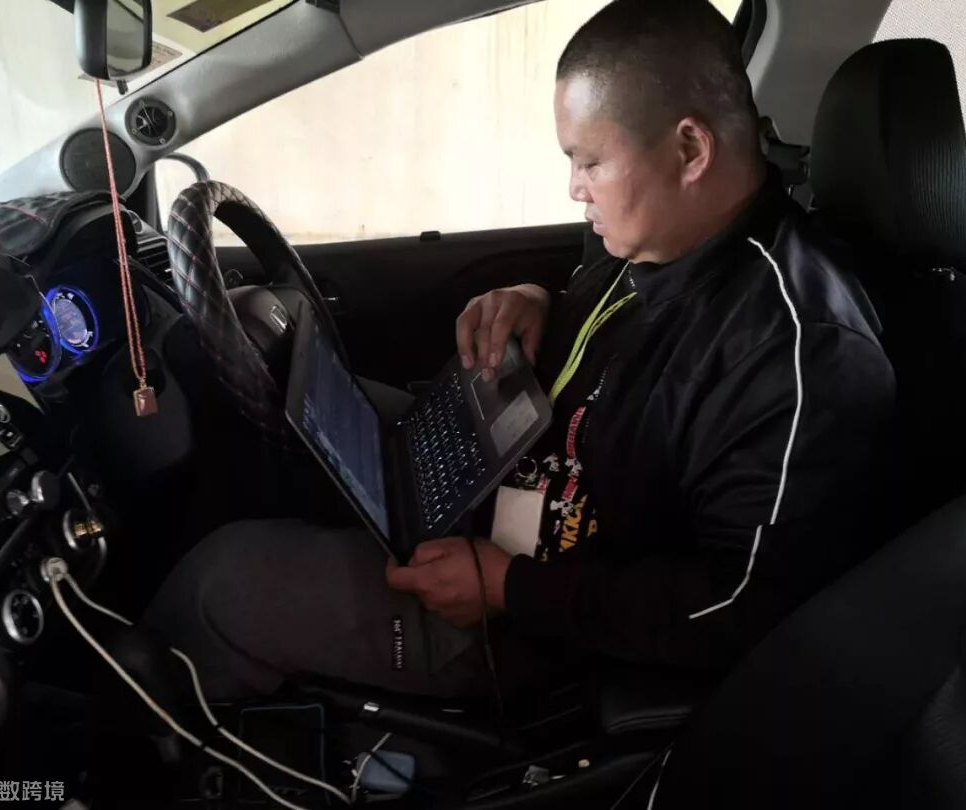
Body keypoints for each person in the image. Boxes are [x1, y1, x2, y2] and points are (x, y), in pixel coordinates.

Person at [143, 0, 894, 701]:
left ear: (690, 148)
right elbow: (624, 345)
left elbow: (739, 607)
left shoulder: (800, 352)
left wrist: (508, 588)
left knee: (221, 589)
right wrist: (541, 302)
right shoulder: (666, 230)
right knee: (288, 424)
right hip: (505, 478)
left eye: (590, 162)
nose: (574, 189)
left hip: (546, 626)